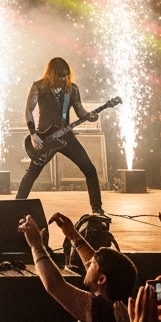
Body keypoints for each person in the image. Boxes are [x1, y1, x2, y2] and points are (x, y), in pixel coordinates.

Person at [15, 58, 105, 215]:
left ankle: (97, 209)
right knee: (32, 173)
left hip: (66, 137)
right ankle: (15, 207)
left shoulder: (72, 89)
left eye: (65, 76)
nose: (63, 79)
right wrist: (33, 134)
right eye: (60, 76)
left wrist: (90, 116)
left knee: (89, 170)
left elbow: (80, 110)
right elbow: (29, 110)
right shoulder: (39, 86)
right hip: (45, 138)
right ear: (51, 74)